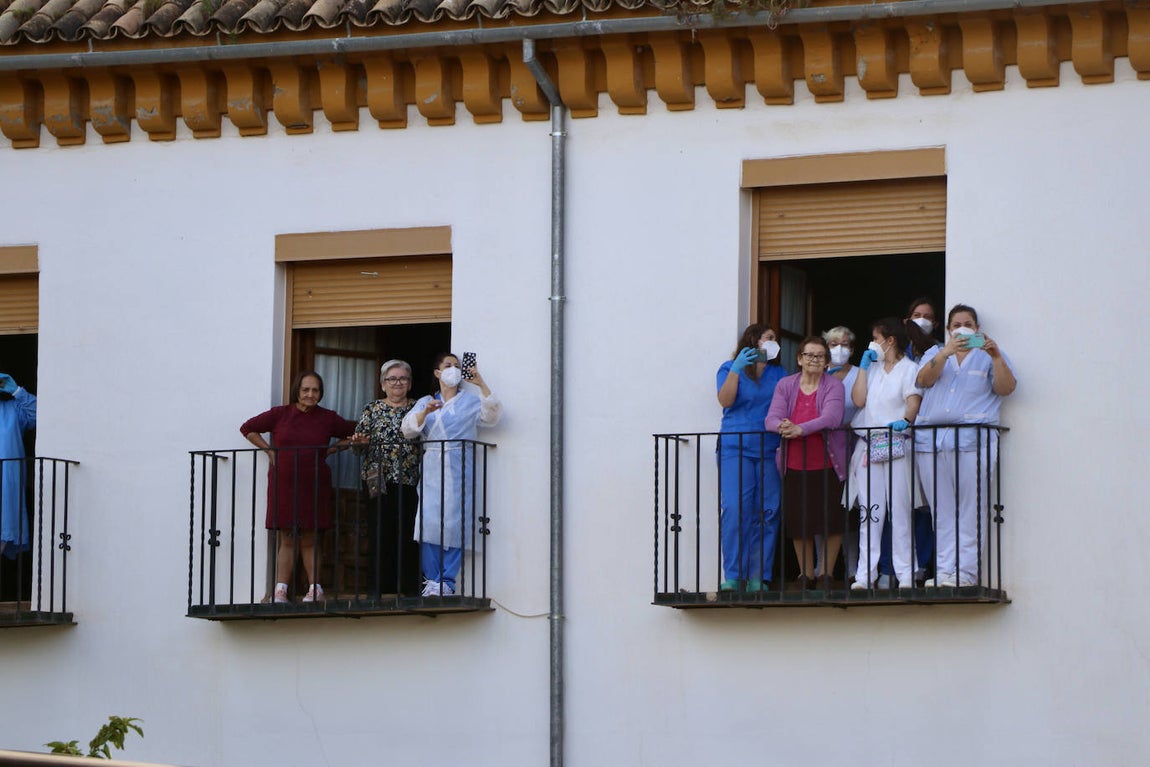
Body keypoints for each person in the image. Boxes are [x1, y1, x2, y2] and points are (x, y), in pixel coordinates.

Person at [915, 304, 1016, 587]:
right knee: (941, 509)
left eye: (968, 324)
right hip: (932, 443)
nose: (962, 328)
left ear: (977, 329)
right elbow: (922, 380)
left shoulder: (989, 354)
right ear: (948, 330)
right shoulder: (935, 354)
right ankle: (946, 571)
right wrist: (945, 353)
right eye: (956, 324)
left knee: (971, 508)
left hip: (973, 441)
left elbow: (1006, 388)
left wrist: (995, 356)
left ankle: (967, 573)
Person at [241, 371, 357, 604]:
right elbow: (248, 428)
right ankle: (281, 590)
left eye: (315, 390)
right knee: (287, 536)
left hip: (314, 483)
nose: (310, 394)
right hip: (284, 482)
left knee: (311, 536)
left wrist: (334, 449)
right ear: (297, 390)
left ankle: (315, 589)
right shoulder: (280, 414)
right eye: (306, 389)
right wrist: (268, 450)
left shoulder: (327, 418)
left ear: (320, 393)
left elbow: (354, 432)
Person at [401, 353, 501, 597]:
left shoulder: (469, 401)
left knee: (456, 521)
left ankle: (447, 581)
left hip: (459, 466)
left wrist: (480, 383)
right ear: (437, 373)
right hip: (433, 467)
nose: (453, 369)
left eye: (457, 366)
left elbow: (491, 416)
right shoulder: (425, 401)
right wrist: (425, 412)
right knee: (429, 522)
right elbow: (407, 429)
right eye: (448, 365)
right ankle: (433, 580)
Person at [764, 336, 847, 590]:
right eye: (809, 355)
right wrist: (784, 426)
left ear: (826, 362)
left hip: (828, 463)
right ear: (799, 359)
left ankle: (826, 573)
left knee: (830, 520)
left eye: (820, 356)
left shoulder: (834, 386)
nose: (814, 359)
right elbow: (771, 419)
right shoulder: (785, 385)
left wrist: (801, 429)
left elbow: (832, 418)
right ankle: (805, 574)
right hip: (794, 463)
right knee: (799, 521)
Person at [849, 319, 923, 590]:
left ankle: (905, 573)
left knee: (900, 510)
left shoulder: (909, 369)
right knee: (870, 512)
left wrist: (906, 419)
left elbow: (913, 402)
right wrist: (863, 368)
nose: (873, 343)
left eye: (875, 338)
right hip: (871, 445)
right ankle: (864, 575)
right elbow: (858, 400)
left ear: (890, 340)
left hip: (897, 444)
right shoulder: (872, 369)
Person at [715, 324, 786, 591]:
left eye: (775, 340)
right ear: (753, 340)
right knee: (734, 509)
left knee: (767, 511)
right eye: (768, 338)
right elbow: (725, 400)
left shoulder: (779, 373)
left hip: (769, 448)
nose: (773, 342)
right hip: (736, 447)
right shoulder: (728, 367)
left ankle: (759, 576)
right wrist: (735, 370)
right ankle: (734, 575)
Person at [353, 360, 422, 597]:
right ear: (383, 384)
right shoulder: (371, 409)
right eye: (392, 379)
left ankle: (407, 587)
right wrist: (359, 443)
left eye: (403, 378)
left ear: (410, 383)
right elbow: (358, 445)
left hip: (409, 477)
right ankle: (377, 588)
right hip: (376, 477)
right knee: (379, 530)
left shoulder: (417, 407)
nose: (397, 383)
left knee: (407, 531)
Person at [0, 373, 35, 558]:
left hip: (6, 492)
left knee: (4, 531)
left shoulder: (12, 410)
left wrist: (17, 392)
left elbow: (42, 416)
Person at [905, 296, 942, 362]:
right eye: (916, 315)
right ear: (908, 320)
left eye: (927, 317)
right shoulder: (899, 349)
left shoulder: (941, 350)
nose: (921, 320)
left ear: (935, 324)